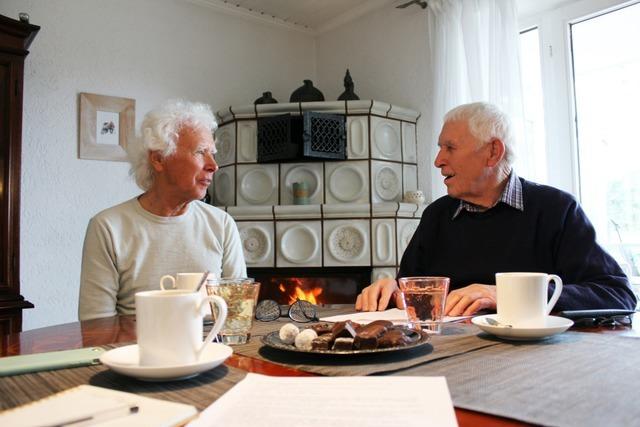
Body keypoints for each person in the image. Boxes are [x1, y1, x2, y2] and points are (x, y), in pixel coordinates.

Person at [356, 102, 637, 315]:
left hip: (534, 366)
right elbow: (413, 291)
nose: (438, 161)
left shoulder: (556, 209)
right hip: (450, 357)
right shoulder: (436, 215)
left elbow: (617, 294)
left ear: (493, 151)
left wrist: (509, 295)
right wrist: (393, 290)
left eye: (450, 148)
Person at [79, 99, 246, 320]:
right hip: (137, 352)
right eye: (200, 152)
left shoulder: (222, 224)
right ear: (159, 159)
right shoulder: (108, 227)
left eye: (212, 153)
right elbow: (96, 326)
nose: (213, 165)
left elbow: (237, 315)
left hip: (210, 350)